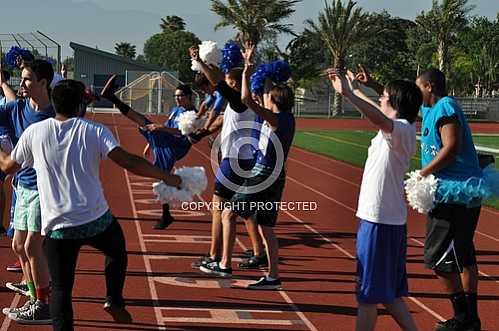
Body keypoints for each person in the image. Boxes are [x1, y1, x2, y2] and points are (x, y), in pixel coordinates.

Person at [0, 79, 181, 330]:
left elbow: (8, 167)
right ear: (81, 106)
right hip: (96, 221)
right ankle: (114, 298)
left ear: (54, 103)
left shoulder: (35, 133)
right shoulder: (94, 130)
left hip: (57, 227)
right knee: (117, 251)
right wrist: (167, 176)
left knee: (62, 290)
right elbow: (128, 162)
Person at [328, 68, 421, 331]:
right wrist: (354, 91)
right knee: (387, 294)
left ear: (395, 103)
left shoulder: (401, 129)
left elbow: (379, 118)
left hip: (380, 221)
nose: (380, 97)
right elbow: (379, 113)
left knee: (367, 294)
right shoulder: (399, 128)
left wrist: (348, 94)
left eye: (384, 96)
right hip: (383, 220)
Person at [200, 43, 294, 289]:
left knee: (229, 213)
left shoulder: (273, 119)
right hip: (276, 175)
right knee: (266, 226)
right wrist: (252, 67)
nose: (265, 97)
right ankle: (273, 276)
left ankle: (223, 264)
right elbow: (264, 90)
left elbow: (244, 97)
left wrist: (245, 74)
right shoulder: (286, 117)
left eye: (268, 98)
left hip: (262, 174)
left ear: (274, 102)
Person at [416, 68, 483, 331]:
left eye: (418, 86)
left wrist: (423, 173)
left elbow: (452, 147)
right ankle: (471, 319)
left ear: (430, 86)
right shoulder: (430, 110)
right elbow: (402, 101)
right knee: (464, 257)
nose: (416, 91)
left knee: (440, 261)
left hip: (454, 194)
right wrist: (375, 85)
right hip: (457, 194)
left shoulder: (444, 107)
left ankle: (463, 317)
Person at [189, 46, 266, 272]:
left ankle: (215, 256)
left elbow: (217, 83)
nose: (227, 83)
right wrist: (204, 132)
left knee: (218, 208)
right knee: (244, 209)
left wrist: (200, 62)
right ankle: (259, 251)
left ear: (237, 83)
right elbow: (223, 120)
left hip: (233, 161)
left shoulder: (240, 100)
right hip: (244, 160)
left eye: (231, 81)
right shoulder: (245, 103)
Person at [0, 60, 55, 324]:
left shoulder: (55, 115)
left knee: (33, 246)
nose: (21, 84)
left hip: (44, 189)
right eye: (22, 79)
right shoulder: (17, 109)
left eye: (28, 79)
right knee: (18, 245)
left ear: (43, 83)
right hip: (23, 186)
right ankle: (35, 297)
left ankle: (43, 305)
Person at [101, 76, 195, 230]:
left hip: (176, 146)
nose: (178, 99)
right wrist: (150, 143)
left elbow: (183, 133)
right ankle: (167, 214)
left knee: (143, 122)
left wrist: (160, 130)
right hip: (165, 140)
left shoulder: (194, 114)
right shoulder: (175, 110)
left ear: (189, 97)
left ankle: (112, 97)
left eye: (181, 96)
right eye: (176, 96)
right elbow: (165, 126)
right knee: (160, 176)